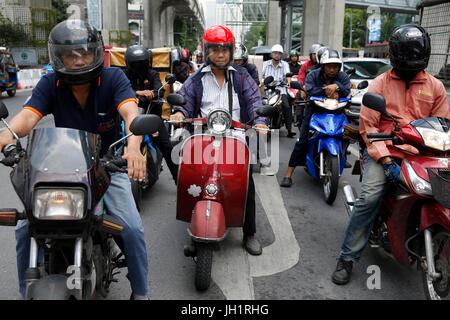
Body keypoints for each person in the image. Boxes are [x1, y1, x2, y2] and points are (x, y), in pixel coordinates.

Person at [0, 20, 150, 300]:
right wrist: (4, 136)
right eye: (71, 54)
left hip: (107, 166)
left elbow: (131, 115)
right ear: (59, 56)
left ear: (96, 53)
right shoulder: (50, 83)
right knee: (25, 228)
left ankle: (141, 292)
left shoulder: (113, 78)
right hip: (63, 168)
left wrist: (133, 148)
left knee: (130, 228)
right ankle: (25, 293)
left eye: (84, 53)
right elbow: (26, 119)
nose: (79, 60)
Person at [331, 24, 450, 285]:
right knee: (370, 197)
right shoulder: (380, 83)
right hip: (387, 150)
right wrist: (385, 160)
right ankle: (347, 258)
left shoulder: (436, 87)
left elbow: (443, 126)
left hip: (423, 154)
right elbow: (368, 126)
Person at [169, 25, 269, 255]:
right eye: (215, 49)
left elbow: (255, 101)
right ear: (206, 51)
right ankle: (194, 219)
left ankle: (249, 233)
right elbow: (183, 101)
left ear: (231, 51)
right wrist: (179, 114)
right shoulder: (195, 79)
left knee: (247, 183)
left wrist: (258, 120)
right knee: (190, 174)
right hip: (202, 138)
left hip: (235, 137)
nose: (220, 54)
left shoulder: (242, 77)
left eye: (225, 49)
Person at [280, 49, 351, 187]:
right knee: (302, 142)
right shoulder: (313, 75)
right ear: (323, 65)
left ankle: (342, 156)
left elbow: (347, 90)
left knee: (348, 135)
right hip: (315, 112)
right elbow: (310, 90)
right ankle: (288, 174)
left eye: (335, 66)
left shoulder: (342, 77)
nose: (332, 69)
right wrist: (330, 89)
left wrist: (337, 86)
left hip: (337, 112)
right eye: (329, 66)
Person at [124, 45, 179, 183]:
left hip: (152, 116)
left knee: (167, 147)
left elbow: (159, 91)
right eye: (136, 63)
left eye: (142, 62)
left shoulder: (152, 74)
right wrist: (140, 93)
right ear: (129, 63)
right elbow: (121, 90)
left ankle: (179, 179)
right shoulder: (124, 75)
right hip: (129, 118)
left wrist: (143, 96)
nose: (139, 66)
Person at [262, 44, 296, 138]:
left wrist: (288, 82)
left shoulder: (284, 64)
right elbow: (261, 76)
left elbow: (288, 75)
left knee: (286, 105)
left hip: (280, 90)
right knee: (260, 103)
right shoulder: (265, 64)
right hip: (267, 89)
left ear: (281, 55)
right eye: (275, 53)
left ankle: (289, 129)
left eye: (279, 53)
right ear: (272, 54)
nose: (277, 55)